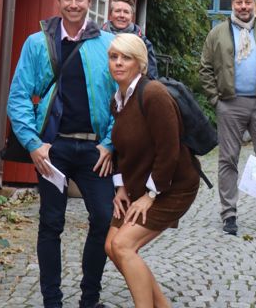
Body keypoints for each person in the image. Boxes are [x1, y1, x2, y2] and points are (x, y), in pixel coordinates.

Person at [7, 0, 117, 308]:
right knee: (51, 224)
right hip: (52, 148)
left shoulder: (108, 44)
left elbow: (122, 99)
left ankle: (89, 298)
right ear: (59, 0)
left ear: (89, 2)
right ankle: (51, 300)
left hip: (95, 149)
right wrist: (32, 143)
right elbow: (18, 96)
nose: (73, 4)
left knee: (103, 218)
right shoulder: (38, 42)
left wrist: (110, 143)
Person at [104, 33, 200, 308]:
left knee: (124, 246)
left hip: (173, 186)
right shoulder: (119, 98)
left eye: (126, 58)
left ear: (140, 64)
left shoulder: (154, 94)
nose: (119, 63)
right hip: (139, 186)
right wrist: (121, 186)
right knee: (111, 246)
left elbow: (168, 149)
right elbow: (121, 149)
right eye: (114, 57)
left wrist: (150, 195)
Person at [200, 0, 256, 235]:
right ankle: (229, 213)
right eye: (239, 2)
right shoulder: (217, 34)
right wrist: (216, 100)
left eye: (248, 2)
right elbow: (204, 68)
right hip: (230, 103)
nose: (243, 7)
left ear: (254, 4)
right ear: (232, 4)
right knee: (228, 158)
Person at [102, 0, 159, 79]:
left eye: (126, 12)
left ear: (132, 16)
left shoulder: (143, 42)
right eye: (118, 11)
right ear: (110, 14)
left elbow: (151, 75)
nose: (122, 15)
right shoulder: (98, 37)